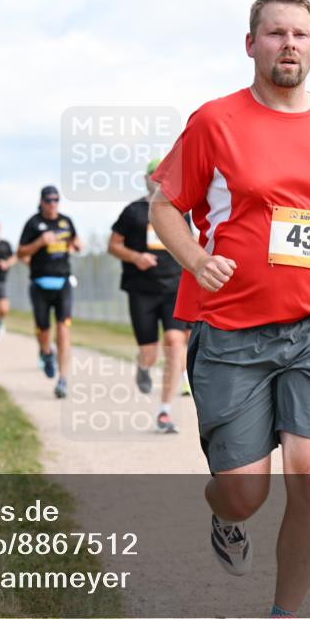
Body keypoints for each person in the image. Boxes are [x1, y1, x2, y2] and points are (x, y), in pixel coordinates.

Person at [149, 0, 310, 619]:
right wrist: (197, 261)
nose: (289, 44)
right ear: (251, 44)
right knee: (244, 491)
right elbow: (165, 205)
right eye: (276, 33)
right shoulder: (214, 121)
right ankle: (225, 514)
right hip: (231, 333)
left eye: (300, 34)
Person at [108, 158, 191, 433]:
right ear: (145, 178)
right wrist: (135, 256)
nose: (157, 181)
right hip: (141, 289)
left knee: (175, 342)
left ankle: (165, 411)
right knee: (150, 353)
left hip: (173, 287)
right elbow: (113, 245)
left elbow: (189, 245)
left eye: (162, 176)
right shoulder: (133, 211)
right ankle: (143, 368)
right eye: (153, 176)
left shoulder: (180, 210)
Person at [18, 185, 83, 399]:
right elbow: (20, 252)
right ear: (42, 202)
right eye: (49, 201)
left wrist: (77, 244)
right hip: (39, 284)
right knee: (43, 330)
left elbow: (75, 240)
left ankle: (63, 379)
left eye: (56, 200)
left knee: (63, 328)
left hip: (63, 282)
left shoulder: (66, 221)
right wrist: (39, 242)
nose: (53, 204)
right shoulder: (33, 223)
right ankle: (46, 353)